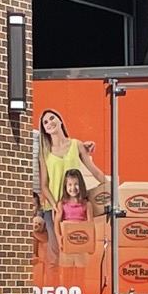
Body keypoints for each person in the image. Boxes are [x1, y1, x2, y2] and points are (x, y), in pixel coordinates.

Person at [36, 108, 103, 263]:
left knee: (77, 250)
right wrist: (54, 205)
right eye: (45, 122)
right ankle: (54, 286)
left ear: (60, 120)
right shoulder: (44, 152)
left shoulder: (76, 145)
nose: (49, 123)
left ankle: (77, 284)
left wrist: (110, 188)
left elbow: (95, 172)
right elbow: (44, 185)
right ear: (44, 129)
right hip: (53, 209)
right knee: (55, 253)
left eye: (52, 118)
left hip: (75, 206)